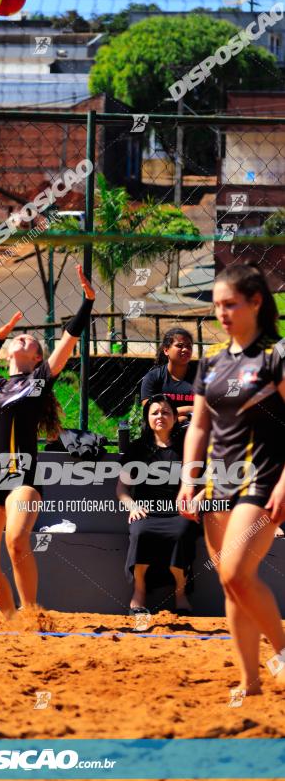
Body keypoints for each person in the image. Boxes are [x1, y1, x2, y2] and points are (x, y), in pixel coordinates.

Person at [178, 263, 285, 697]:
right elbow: (200, 427)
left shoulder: (276, 356)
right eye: (216, 304)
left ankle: (280, 653)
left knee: (238, 574)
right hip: (219, 482)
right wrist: (189, 479)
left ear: (256, 302)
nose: (221, 312)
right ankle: (251, 681)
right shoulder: (212, 362)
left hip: (263, 479)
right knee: (229, 582)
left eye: (230, 304)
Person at [0, 264, 95, 618]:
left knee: (16, 541)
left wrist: (87, 301)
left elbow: (69, 341)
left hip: (21, 478)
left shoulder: (39, 380)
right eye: (18, 338)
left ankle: (30, 615)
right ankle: (10, 619)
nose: (22, 337)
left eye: (29, 340)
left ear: (37, 357)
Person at [116, 394, 200, 616]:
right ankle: (140, 592)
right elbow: (122, 490)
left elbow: (200, 485)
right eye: (155, 412)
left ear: (175, 417)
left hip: (178, 512)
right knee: (140, 531)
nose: (160, 416)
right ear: (147, 418)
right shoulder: (137, 449)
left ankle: (181, 594)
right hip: (147, 512)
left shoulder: (186, 449)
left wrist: (194, 504)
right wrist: (132, 507)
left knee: (182, 532)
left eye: (165, 412)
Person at [140, 327, 196, 422]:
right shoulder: (153, 377)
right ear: (166, 350)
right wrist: (189, 411)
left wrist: (179, 416)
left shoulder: (201, 377)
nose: (185, 349)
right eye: (180, 345)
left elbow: (210, 408)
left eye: (189, 346)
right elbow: (150, 412)